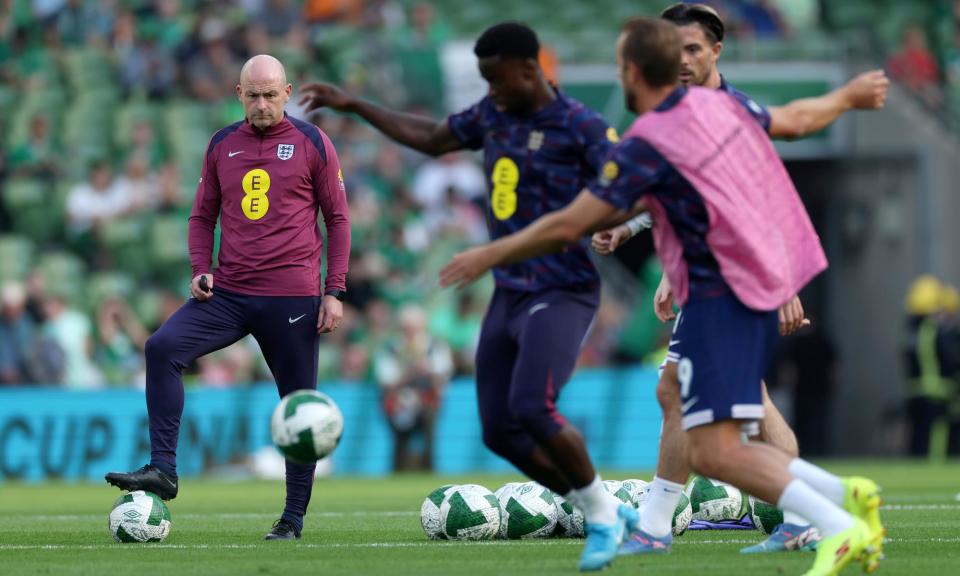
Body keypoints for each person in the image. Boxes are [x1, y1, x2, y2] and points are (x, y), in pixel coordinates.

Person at [439, 17, 884, 576]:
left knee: (716, 450)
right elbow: (793, 122)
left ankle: (838, 526)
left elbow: (571, 221)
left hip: (724, 293)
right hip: (731, 286)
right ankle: (846, 495)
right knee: (683, 402)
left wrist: (491, 253)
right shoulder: (717, 110)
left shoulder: (651, 139)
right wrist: (847, 95)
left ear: (630, 71)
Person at [299, 22, 637, 571]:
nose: (492, 91)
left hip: (562, 287)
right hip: (509, 291)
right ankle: (598, 507)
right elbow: (433, 138)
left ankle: (600, 516)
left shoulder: (582, 127)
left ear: (530, 70)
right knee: (499, 429)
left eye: (497, 79)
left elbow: (625, 193)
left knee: (532, 406)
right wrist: (356, 105)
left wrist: (610, 222)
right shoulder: (493, 115)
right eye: (485, 81)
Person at [590, 2, 889, 554]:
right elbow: (680, 196)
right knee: (701, 397)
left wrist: (781, 282)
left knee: (712, 417)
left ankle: (816, 510)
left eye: (692, 50)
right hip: (708, 277)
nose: (680, 60)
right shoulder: (683, 108)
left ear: (716, 51)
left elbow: (760, 195)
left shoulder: (724, 109)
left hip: (734, 282)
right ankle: (677, 525)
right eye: (671, 49)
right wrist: (641, 238)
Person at [105, 54, 351, 542]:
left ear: (287, 92)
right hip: (230, 292)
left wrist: (334, 291)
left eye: (270, 94)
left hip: (292, 297)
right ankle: (164, 470)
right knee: (161, 348)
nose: (261, 103)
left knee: (297, 407)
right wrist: (201, 270)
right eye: (252, 94)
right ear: (239, 94)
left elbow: (338, 219)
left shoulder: (312, 142)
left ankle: (292, 519)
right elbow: (201, 217)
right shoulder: (221, 144)